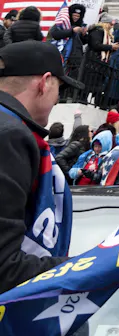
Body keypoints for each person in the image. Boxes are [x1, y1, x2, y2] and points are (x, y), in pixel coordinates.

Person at [0, 41, 81, 291]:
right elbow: (4, 268)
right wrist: (85, 268)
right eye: (59, 87)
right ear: (45, 82)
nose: (58, 97)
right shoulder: (10, 136)